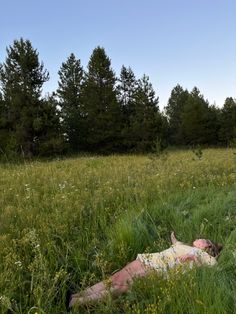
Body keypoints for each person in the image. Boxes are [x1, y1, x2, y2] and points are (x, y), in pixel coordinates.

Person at [69, 232, 223, 308]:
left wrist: (193, 257)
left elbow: (214, 268)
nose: (199, 238)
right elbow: (175, 243)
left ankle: (75, 304)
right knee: (115, 278)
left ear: (207, 246)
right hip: (148, 259)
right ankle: (75, 296)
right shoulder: (185, 245)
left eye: (202, 239)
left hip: (160, 270)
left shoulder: (204, 256)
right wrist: (173, 237)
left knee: (122, 287)